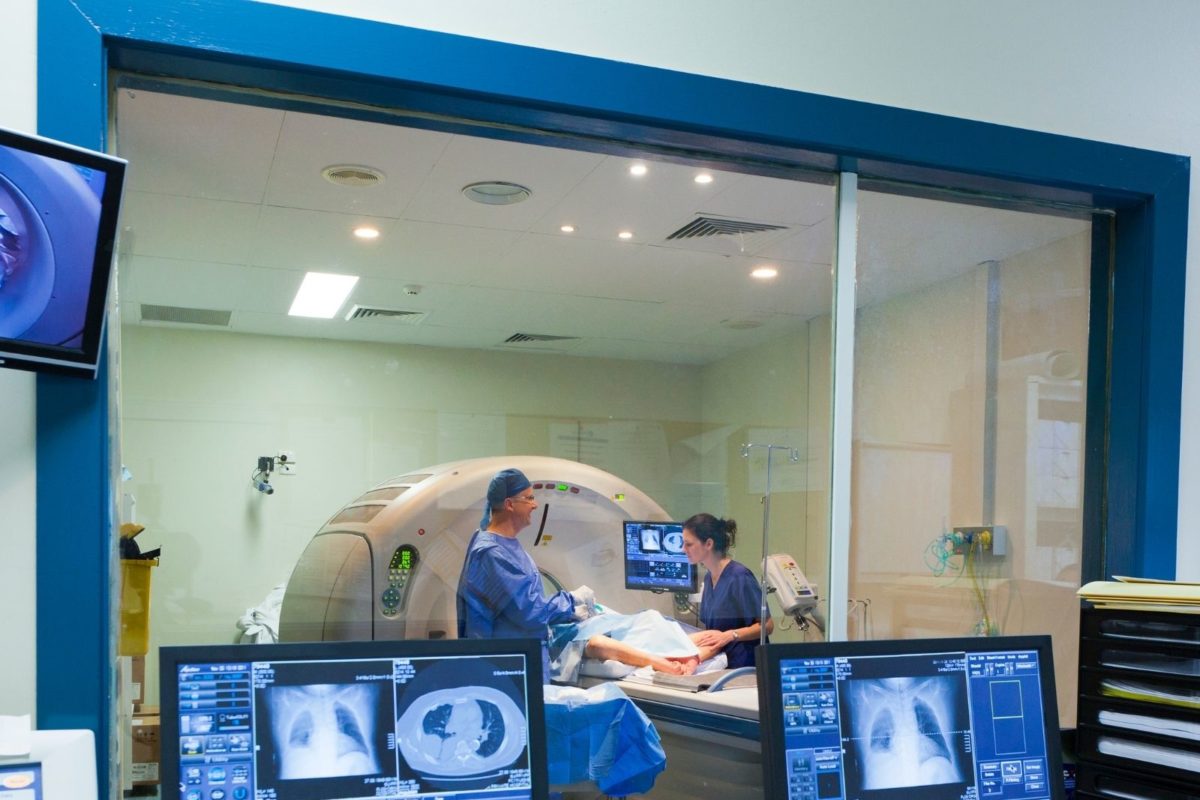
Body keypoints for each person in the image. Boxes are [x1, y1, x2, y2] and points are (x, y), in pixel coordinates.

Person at [456, 467, 592, 681]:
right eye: (529, 498)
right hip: (507, 665)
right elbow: (529, 612)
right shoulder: (493, 553)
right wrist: (570, 602)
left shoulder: (504, 545)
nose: (535, 505)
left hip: (520, 657)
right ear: (509, 504)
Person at [681, 513, 773, 668]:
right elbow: (714, 634)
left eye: (688, 544)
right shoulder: (709, 578)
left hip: (746, 667)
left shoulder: (739, 576)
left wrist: (731, 635)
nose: (683, 549)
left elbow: (767, 625)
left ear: (708, 544)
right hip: (722, 662)